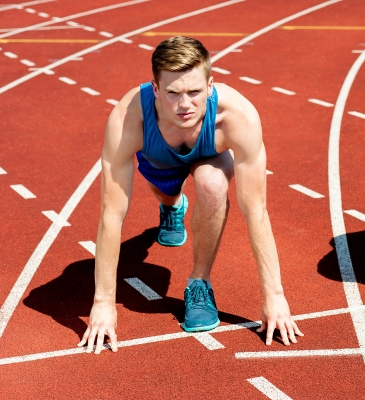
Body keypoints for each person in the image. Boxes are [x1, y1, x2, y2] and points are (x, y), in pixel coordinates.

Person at [78, 36, 303, 354]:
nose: (185, 105)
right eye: (173, 93)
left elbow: (256, 210)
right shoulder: (128, 119)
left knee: (212, 185)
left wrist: (274, 295)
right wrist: (102, 302)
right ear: (155, 89)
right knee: (167, 195)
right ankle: (171, 206)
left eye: (195, 92)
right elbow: (111, 213)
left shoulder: (238, 117)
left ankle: (199, 283)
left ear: (211, 85)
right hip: (158, 159)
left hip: (210, 154)